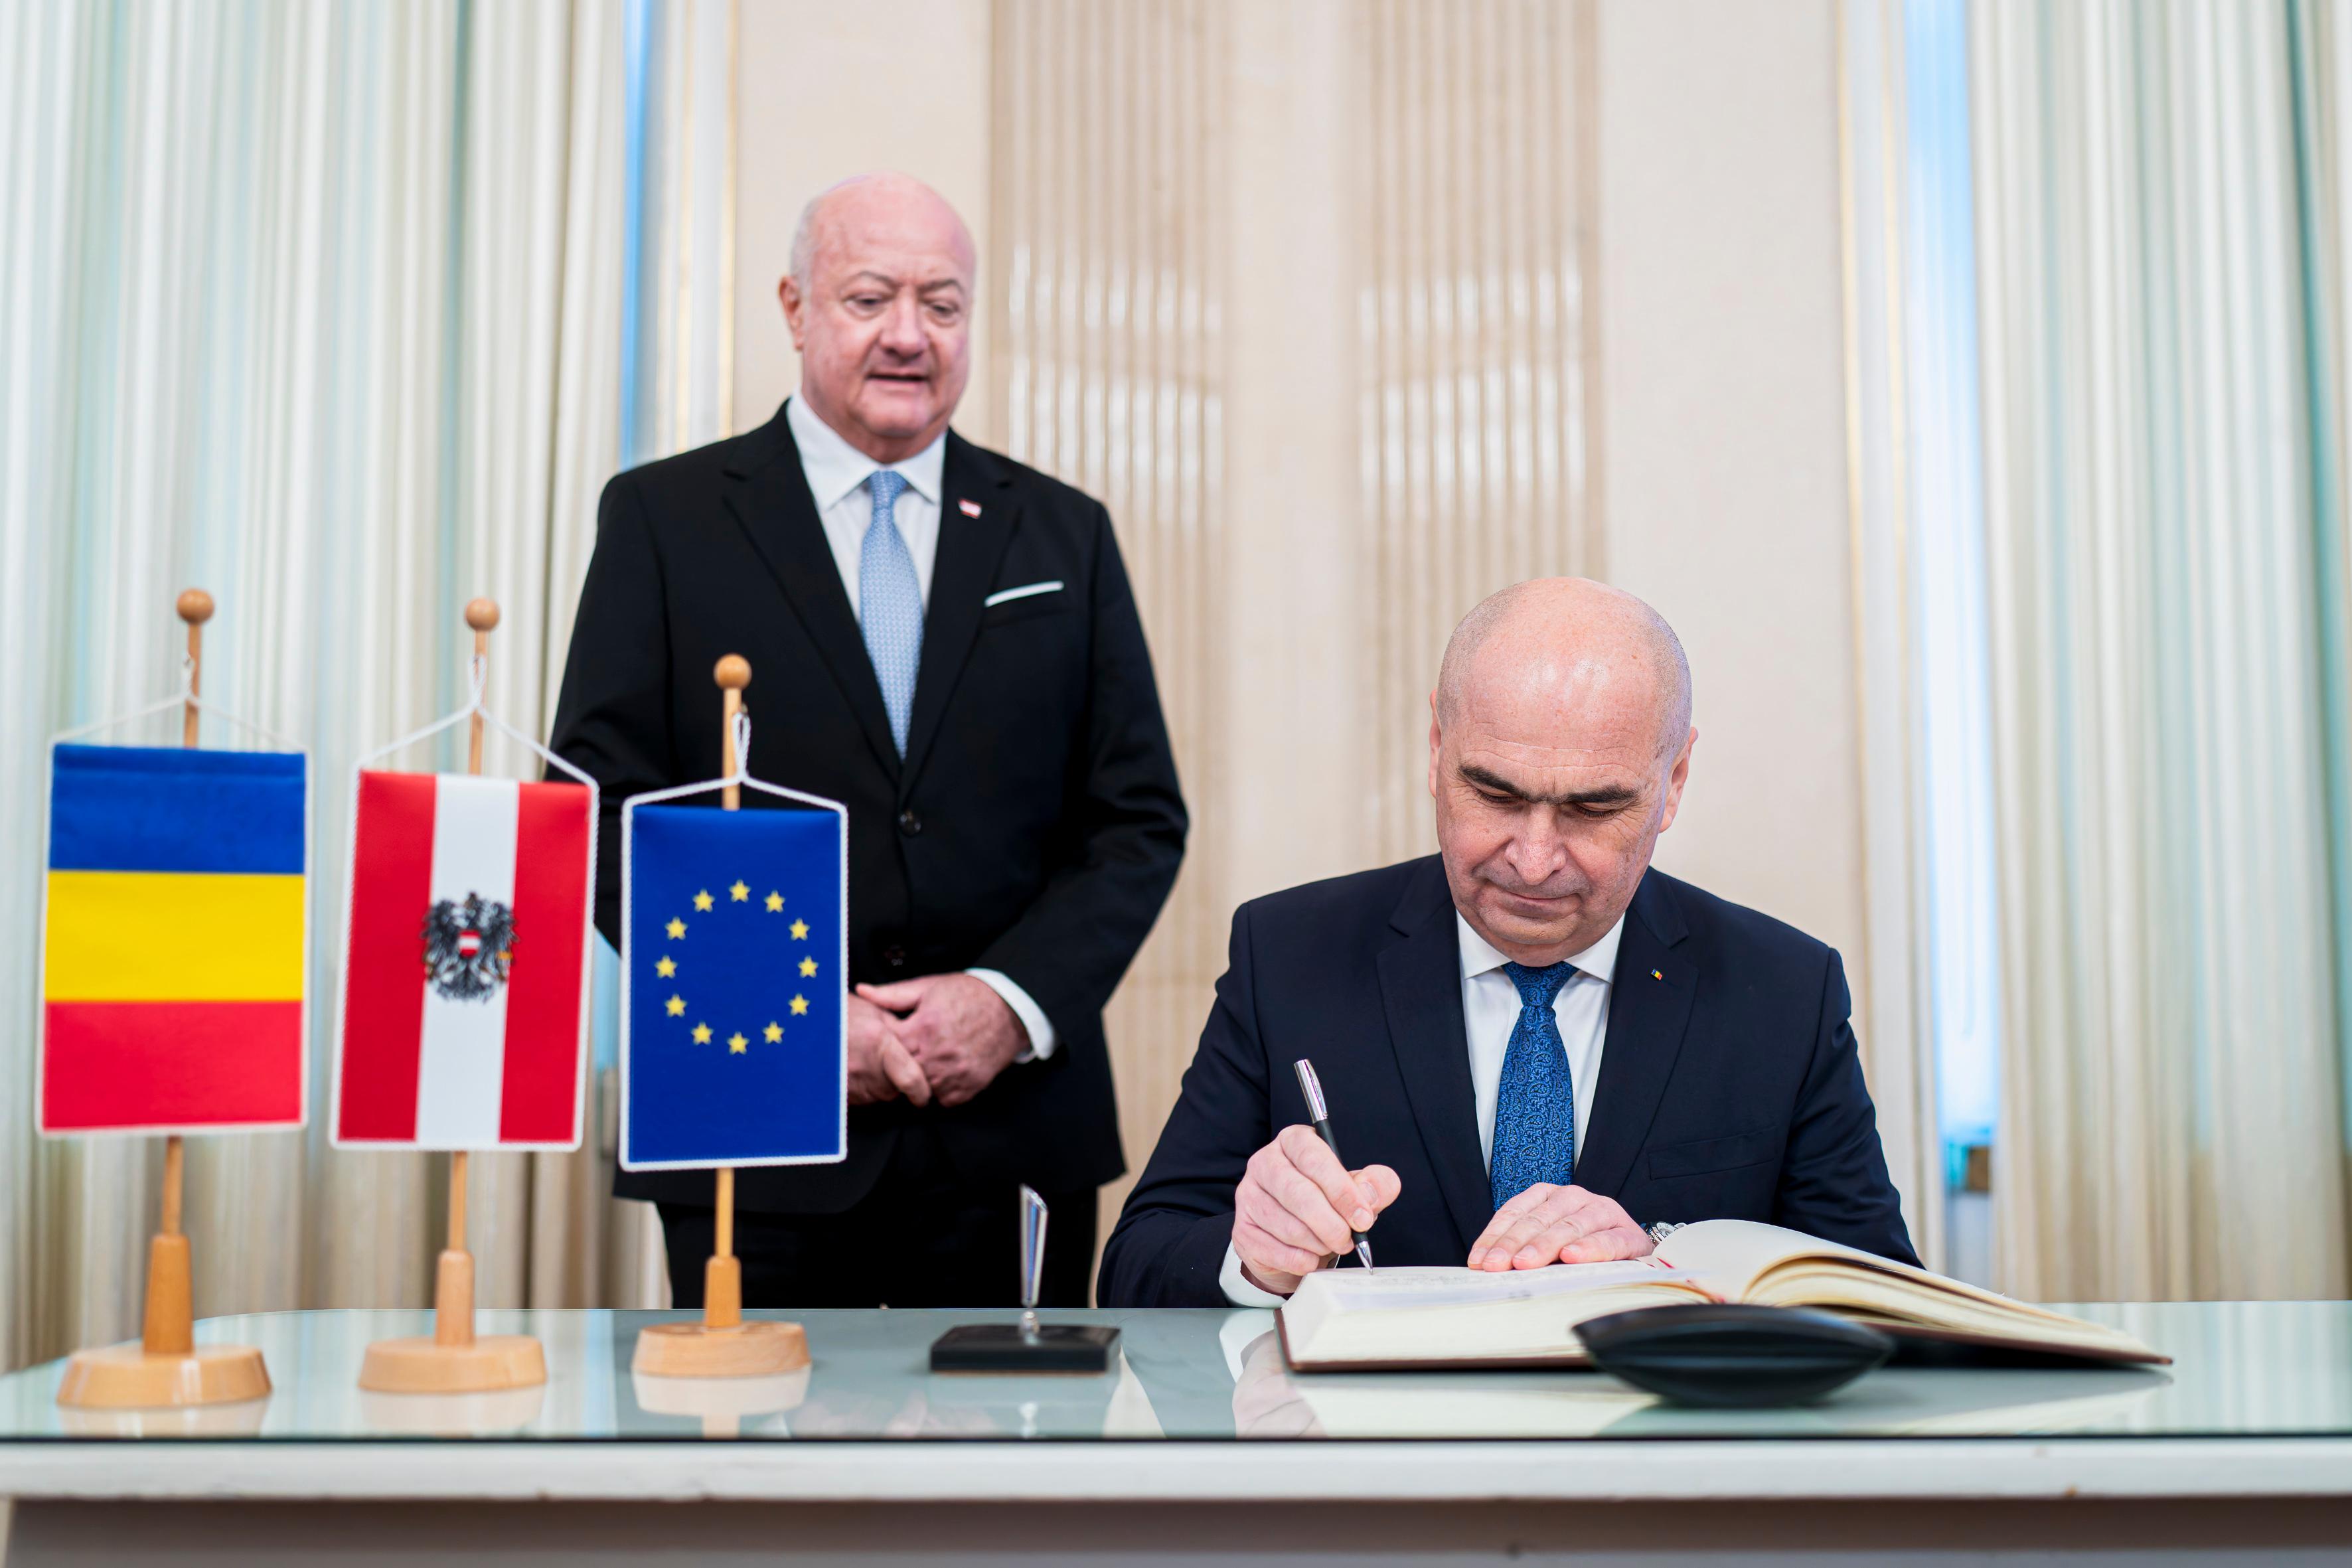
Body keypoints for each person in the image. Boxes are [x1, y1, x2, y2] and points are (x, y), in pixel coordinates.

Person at [552, 173, 1186, 1307]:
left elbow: (1135, 819)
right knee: (756, 1427)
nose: (907, 334)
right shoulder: (664, 520)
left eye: (941, 304)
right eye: (868, 297)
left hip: (1010, 1138)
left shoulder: (1063, 532)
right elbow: (598, 817)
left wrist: (1007, 1000)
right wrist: (789, 1015)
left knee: (1016, 1428)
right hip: (751, 1126)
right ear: (794, 308)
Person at [1099, 578, 1914, 1308]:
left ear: (1674, 782)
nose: (1533, 858)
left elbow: (1885, 1297)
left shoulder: (1786, 991)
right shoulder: (1288, 953)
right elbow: (1135, 1266)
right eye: (1493, 794)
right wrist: (1255, 1257)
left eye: (1594, 809)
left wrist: (1670, 1260)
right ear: (1436, 750)